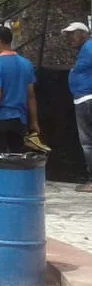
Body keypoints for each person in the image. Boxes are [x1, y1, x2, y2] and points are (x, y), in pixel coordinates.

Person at [0, 25, 39, 152]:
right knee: (17, 157)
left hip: (0, 118)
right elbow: (31, 96)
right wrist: (34, 121)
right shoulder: (26, 64)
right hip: (20, 119)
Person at [62, 22, 92, 192]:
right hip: (84, 99)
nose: (69, 38)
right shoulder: (85, 50)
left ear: (83, 34)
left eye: (72, 34)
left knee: (88, 143)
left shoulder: (89, 48)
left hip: (87, 99)